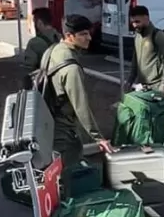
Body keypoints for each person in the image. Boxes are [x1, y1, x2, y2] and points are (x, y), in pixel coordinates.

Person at [39, 14, 115, 176]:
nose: (89, 38)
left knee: (55, 174)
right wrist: (98, 138)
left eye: (88, 33)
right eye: (83, 34)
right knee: (69, 177)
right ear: (69, 36)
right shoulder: (71, 69)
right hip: (64, 130)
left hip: (48, 122)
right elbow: (81, 106)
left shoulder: (52, 50)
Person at [127, 5, 164, 94]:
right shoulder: (137, 36)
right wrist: (130, 80)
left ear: (146, 19)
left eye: (137, 21)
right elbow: (135, 60)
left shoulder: (158, 36)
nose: (134, 25)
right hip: (142, 85)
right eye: (132, 22)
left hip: (156, 86)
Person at [22, 7, 61, 86]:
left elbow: (29, 69)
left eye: (34, 22)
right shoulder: (61, 38)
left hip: (45, 87)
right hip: (61, 84)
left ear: (39, 23)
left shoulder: (34, 43)